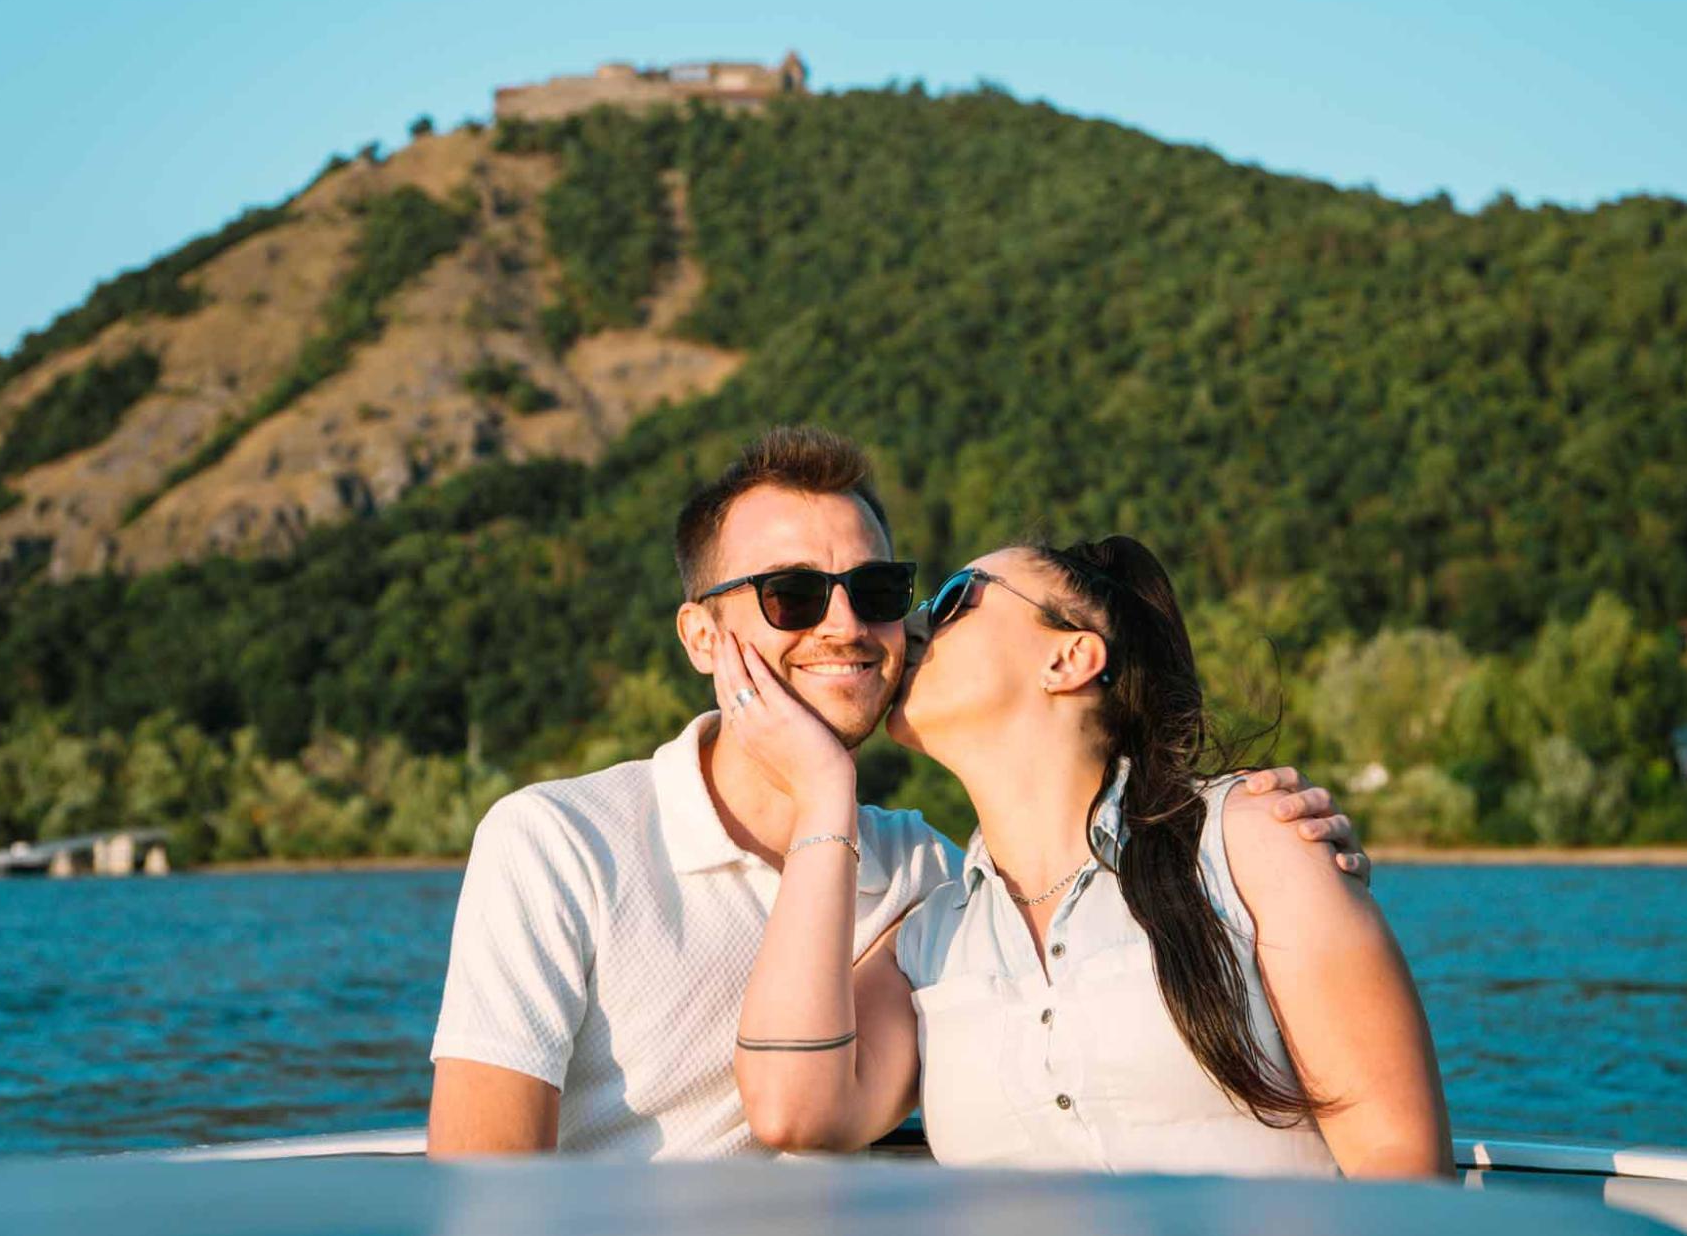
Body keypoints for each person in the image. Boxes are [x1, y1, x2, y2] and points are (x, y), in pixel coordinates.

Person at [426, 427, 1368, 1158]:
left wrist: (1268, 841)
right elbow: (484, 1190)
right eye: (792, 594)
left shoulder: (930, 879)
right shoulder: (561, 841)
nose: (848, 624)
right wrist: (826, 794)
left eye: (878, 590)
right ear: (703, 638)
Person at [729, 534, 1451, 1177]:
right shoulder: (929, 937)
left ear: (1069, 657)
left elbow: (1400, 1170)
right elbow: (795, 1111)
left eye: (952, 601)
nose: (907, 625)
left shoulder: (1249, 845)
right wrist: (826, 793)